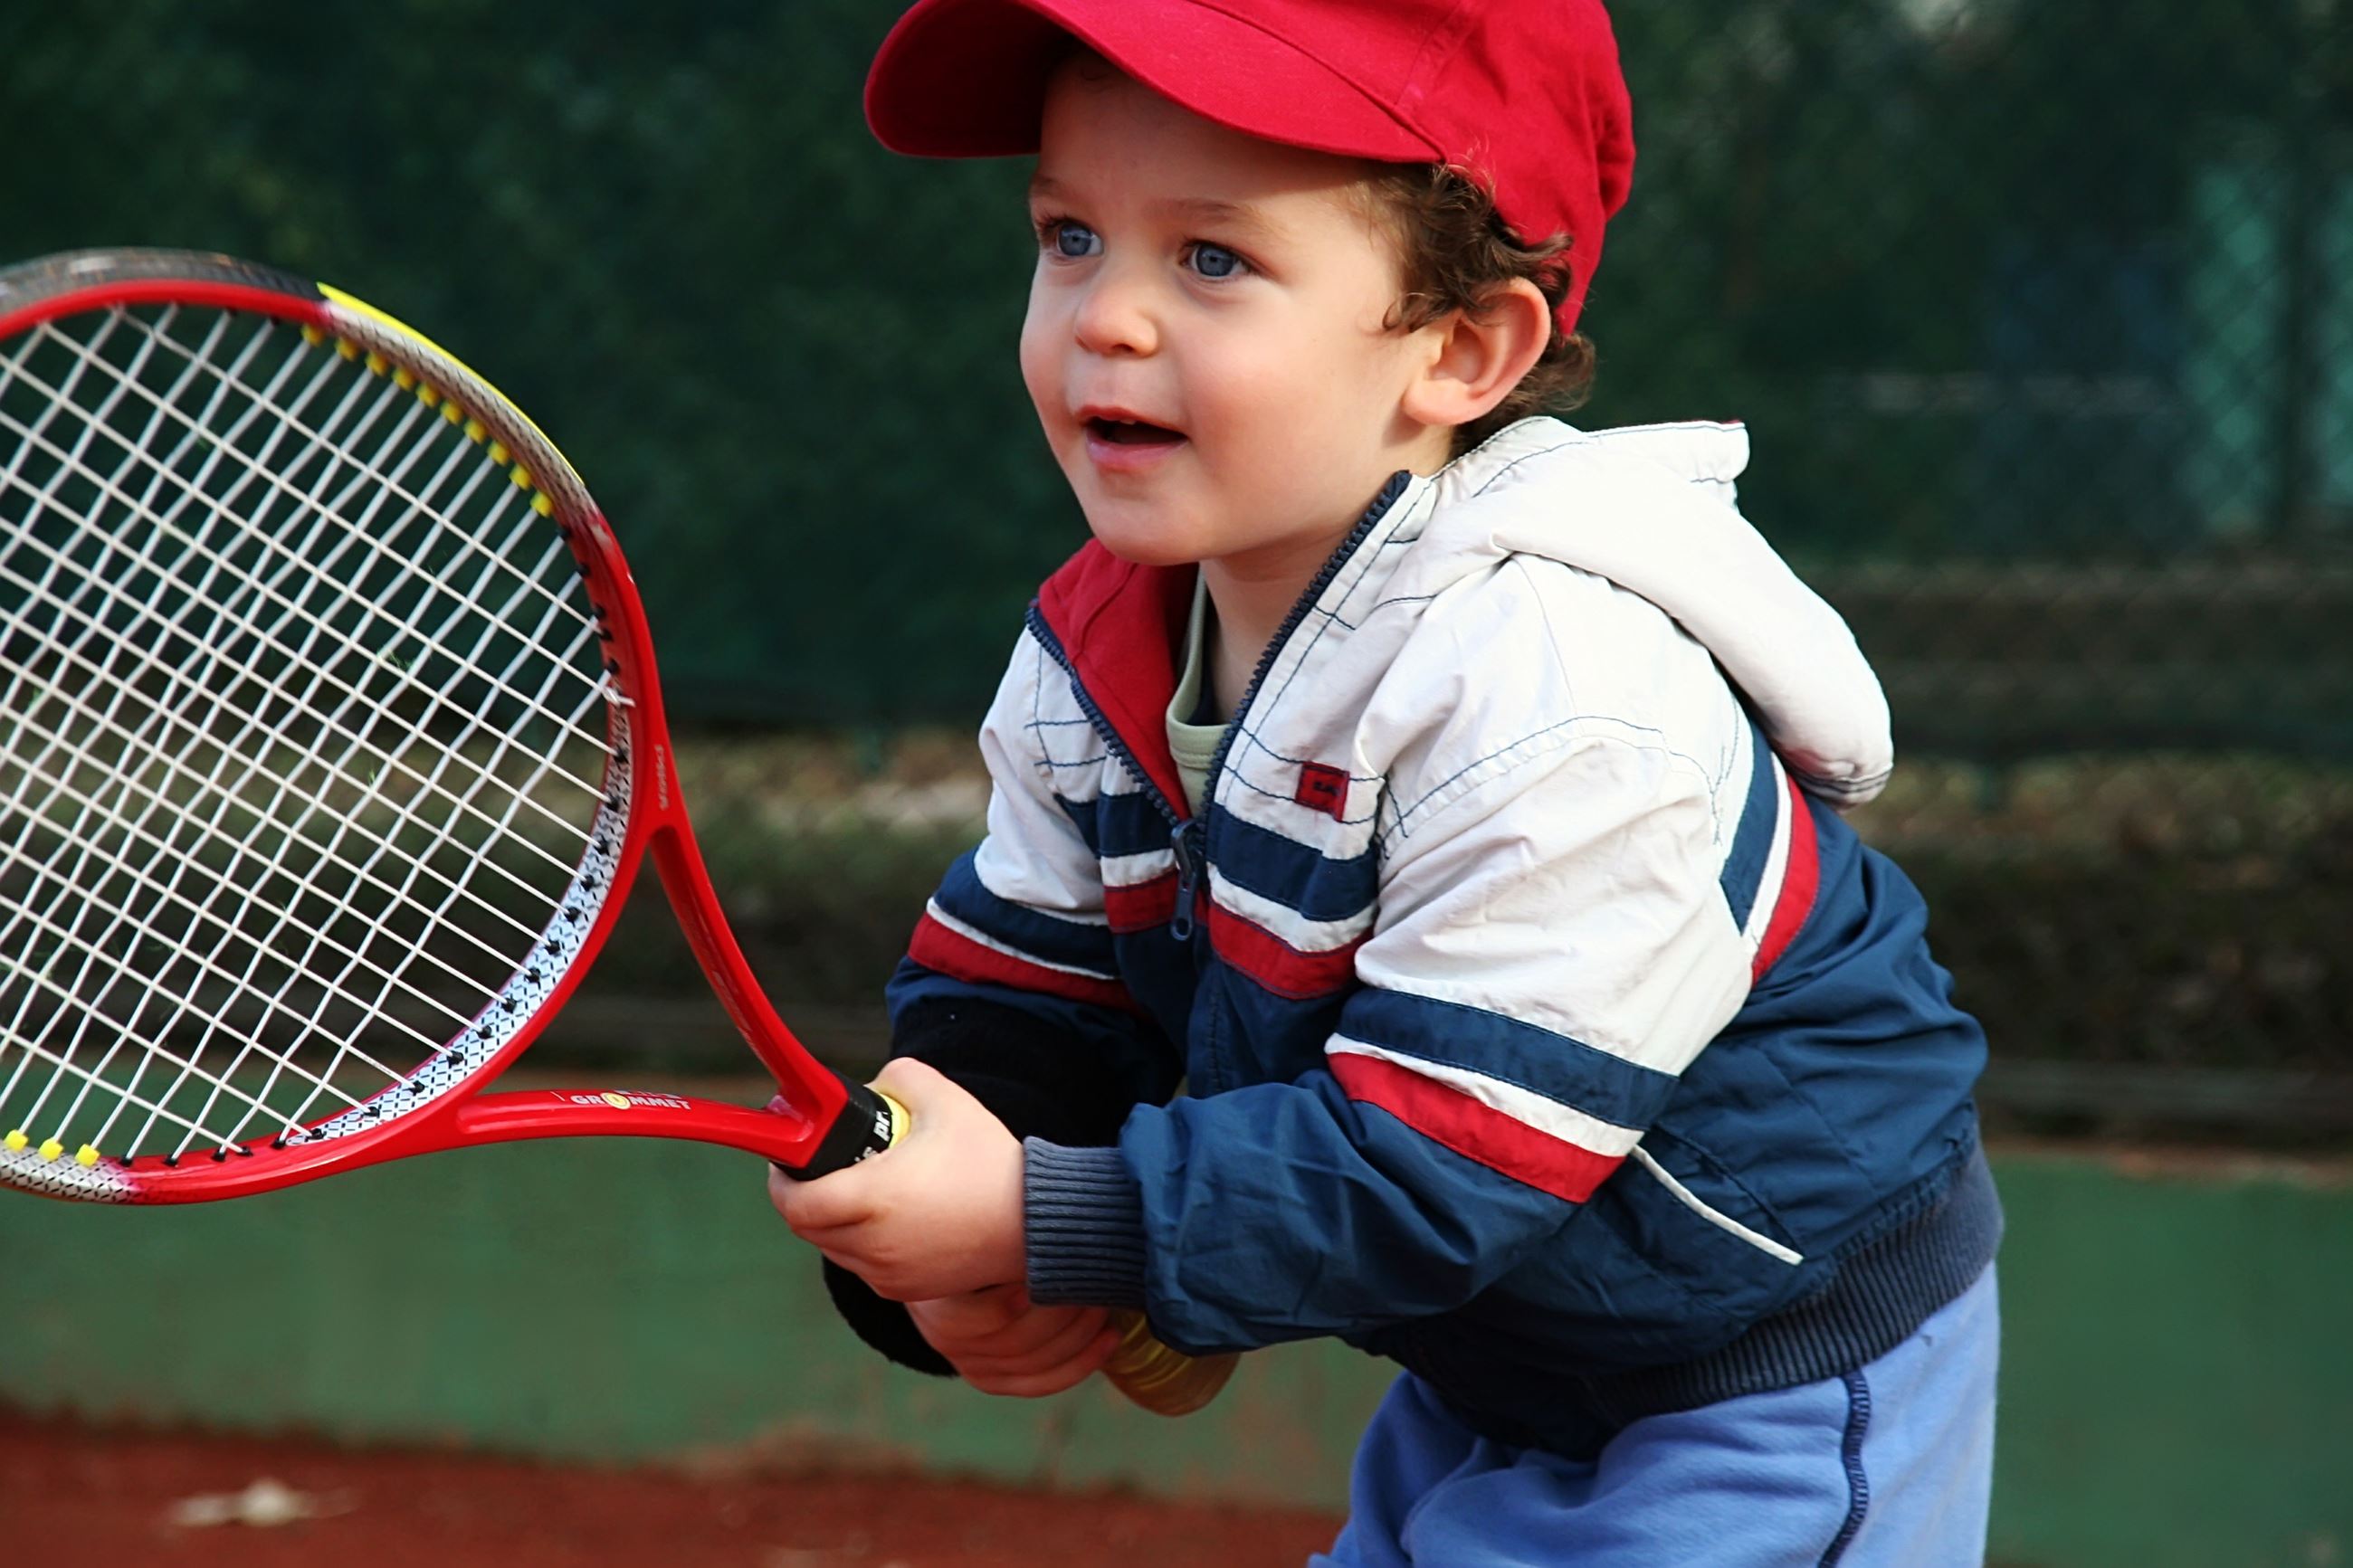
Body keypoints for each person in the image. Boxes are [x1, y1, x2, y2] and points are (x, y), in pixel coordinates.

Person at [771, 3, 2002, 1563]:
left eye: (1211, 259)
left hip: (1760, 1368)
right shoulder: (1102, 643)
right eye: (1072, 236)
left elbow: (1442, 1162)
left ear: (1461, 351)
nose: (1108, 317)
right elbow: (1033, 997)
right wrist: (959, 1210)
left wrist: (1056, 1218)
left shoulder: (1556, 696)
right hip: (1502, 1343)